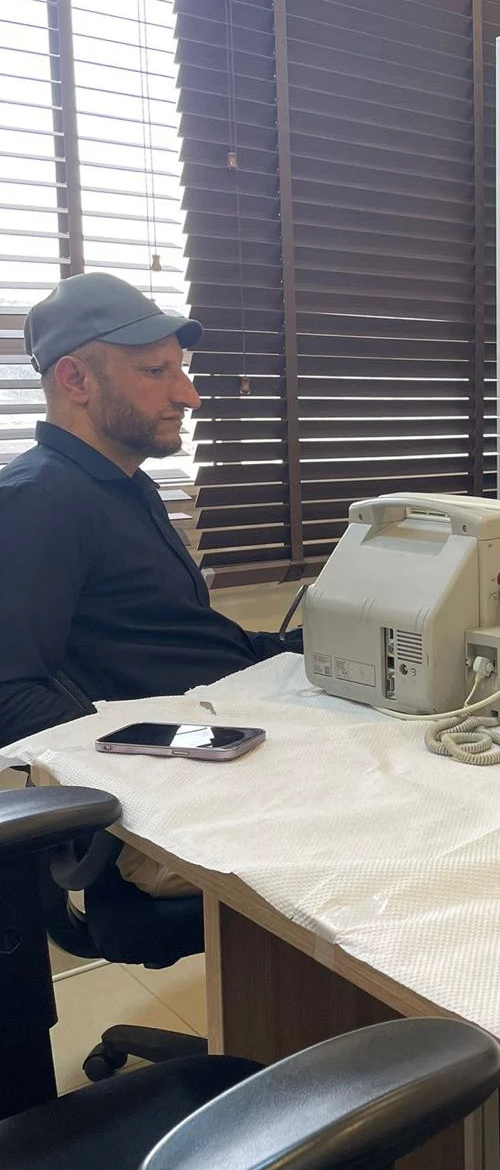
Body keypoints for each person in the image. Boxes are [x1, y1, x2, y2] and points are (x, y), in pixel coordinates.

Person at [0, 274, 302, 890]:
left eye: (181, 371)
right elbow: (10, 693)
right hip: (175, 784)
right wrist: (176, 762)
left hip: (218, 732)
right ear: (75, 380)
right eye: (156, 372)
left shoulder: (125, 486)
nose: (189, 395)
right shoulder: (39, 501)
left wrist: (303, 649)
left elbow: (171, 639)